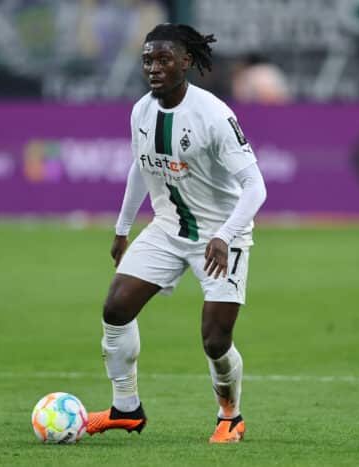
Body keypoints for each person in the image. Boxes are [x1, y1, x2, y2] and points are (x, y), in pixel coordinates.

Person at [86, 23, 267, 443]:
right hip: (168, 228)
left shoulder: (214, 115)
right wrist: (122, 228)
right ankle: (125, 408)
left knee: (215, 339)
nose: (154, 67)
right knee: (116, 309)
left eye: (164, 59)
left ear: (186, 62)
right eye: (148, 60)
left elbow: (255, 186)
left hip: (221, 237)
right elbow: (140, 168)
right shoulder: (141, 111)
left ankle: (230, 415)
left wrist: (225, 235)